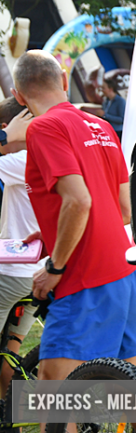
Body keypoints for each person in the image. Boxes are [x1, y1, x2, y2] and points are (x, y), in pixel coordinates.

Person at [11, 50, 136, 383]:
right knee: (127, 387)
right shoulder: (100, 124)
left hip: (84, 278)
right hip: (125, 274)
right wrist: (55, 234)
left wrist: (55, 265)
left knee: (53, 394)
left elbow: (80, 201)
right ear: (65, 81)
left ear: (18, 95)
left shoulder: (43, 127)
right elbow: (123, 211)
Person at [0, 99, 37, 398]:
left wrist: (6, 137)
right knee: (9, 358)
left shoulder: (20, 159)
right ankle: (12, 421)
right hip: (37, 277)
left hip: (10, 273)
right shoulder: (49, 154)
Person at [100, 70, 127, 140]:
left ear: (110, 89)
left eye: (103, 88)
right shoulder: (106, 101)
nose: (102, 90)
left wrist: (105, 115)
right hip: (108, 130)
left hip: (118, 131)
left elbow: (122, 119)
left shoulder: (120, 101)